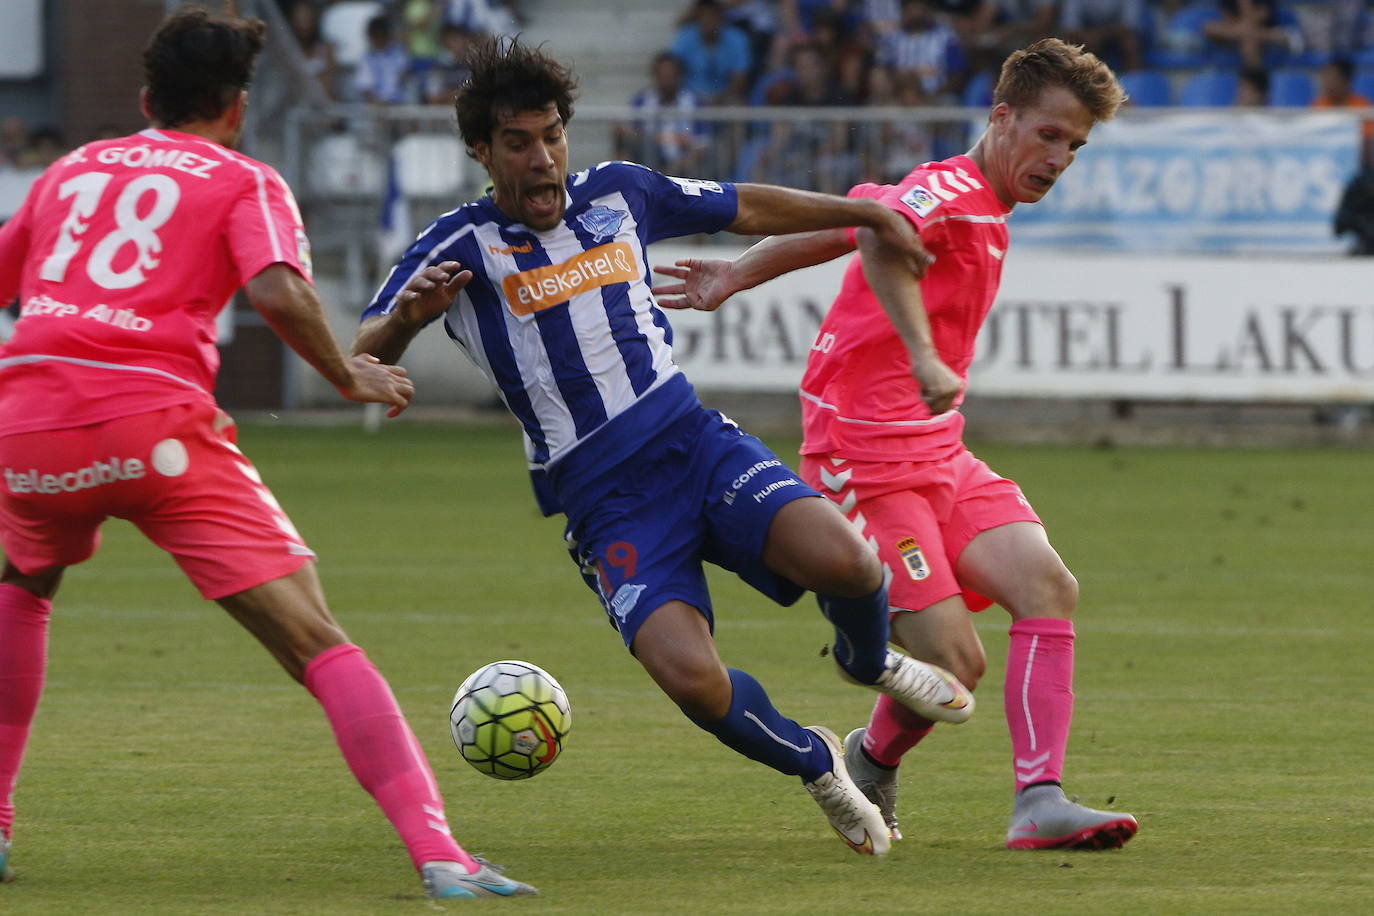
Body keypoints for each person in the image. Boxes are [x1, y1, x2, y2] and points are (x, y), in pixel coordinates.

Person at [352, 35, 977, 858]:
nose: (541, 160)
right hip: (606, 499)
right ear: (480, 150)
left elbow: (743, 205)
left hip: (692, 443)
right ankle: (817, 762)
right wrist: (400, 329)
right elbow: (365, 344)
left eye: (552, 137)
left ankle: (867, 664)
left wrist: (862, 212)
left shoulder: (620, 193)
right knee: (691, 678)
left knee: (854, 567)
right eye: (517, 143)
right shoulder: (457, 245)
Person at [0, 7, 532, 899]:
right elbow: (281, 291)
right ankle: (440, 854)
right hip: (153, 428)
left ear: (144, 98)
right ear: (237, 107)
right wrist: (349, 374)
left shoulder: (71, 170)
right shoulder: (243, 179)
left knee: (23, 585)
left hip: (28, 425)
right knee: (316, 641)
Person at [653, 38, 1141, 851]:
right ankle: (868, 687)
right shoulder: (952, 188)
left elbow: (856, 217)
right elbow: (882, 240)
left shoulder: (969, 197)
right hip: (862, 455)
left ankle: (1033, 799)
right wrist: (920, 353)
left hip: (937, 450)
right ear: (1002, 116)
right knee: (957, 663)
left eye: (1075, 146)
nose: (1059, 158)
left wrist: (739, 274)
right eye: (1049, 135)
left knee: (1048, 586)